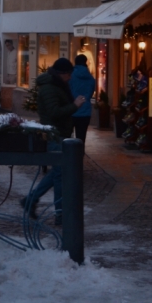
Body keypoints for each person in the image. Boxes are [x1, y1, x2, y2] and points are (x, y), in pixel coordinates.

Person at [21, 58, 86, 226]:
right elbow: (54, 112)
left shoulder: (56, 86)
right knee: (59, 175)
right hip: (54, 135)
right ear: (61, 74)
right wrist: (75, 106)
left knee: (58, 172)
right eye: (69, 74)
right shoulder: (50, 88)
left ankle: (31, 200)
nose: (71, 78)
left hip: (59, 133)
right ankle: (60, 214)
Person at [70, 54, 96, 144]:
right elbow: (91, 92)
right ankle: (79, 155)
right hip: (85, 111)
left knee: (67, 137)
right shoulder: (91, 78)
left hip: (71, 110)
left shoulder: (70, 75)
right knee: (81, 138)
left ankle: (69, 156)